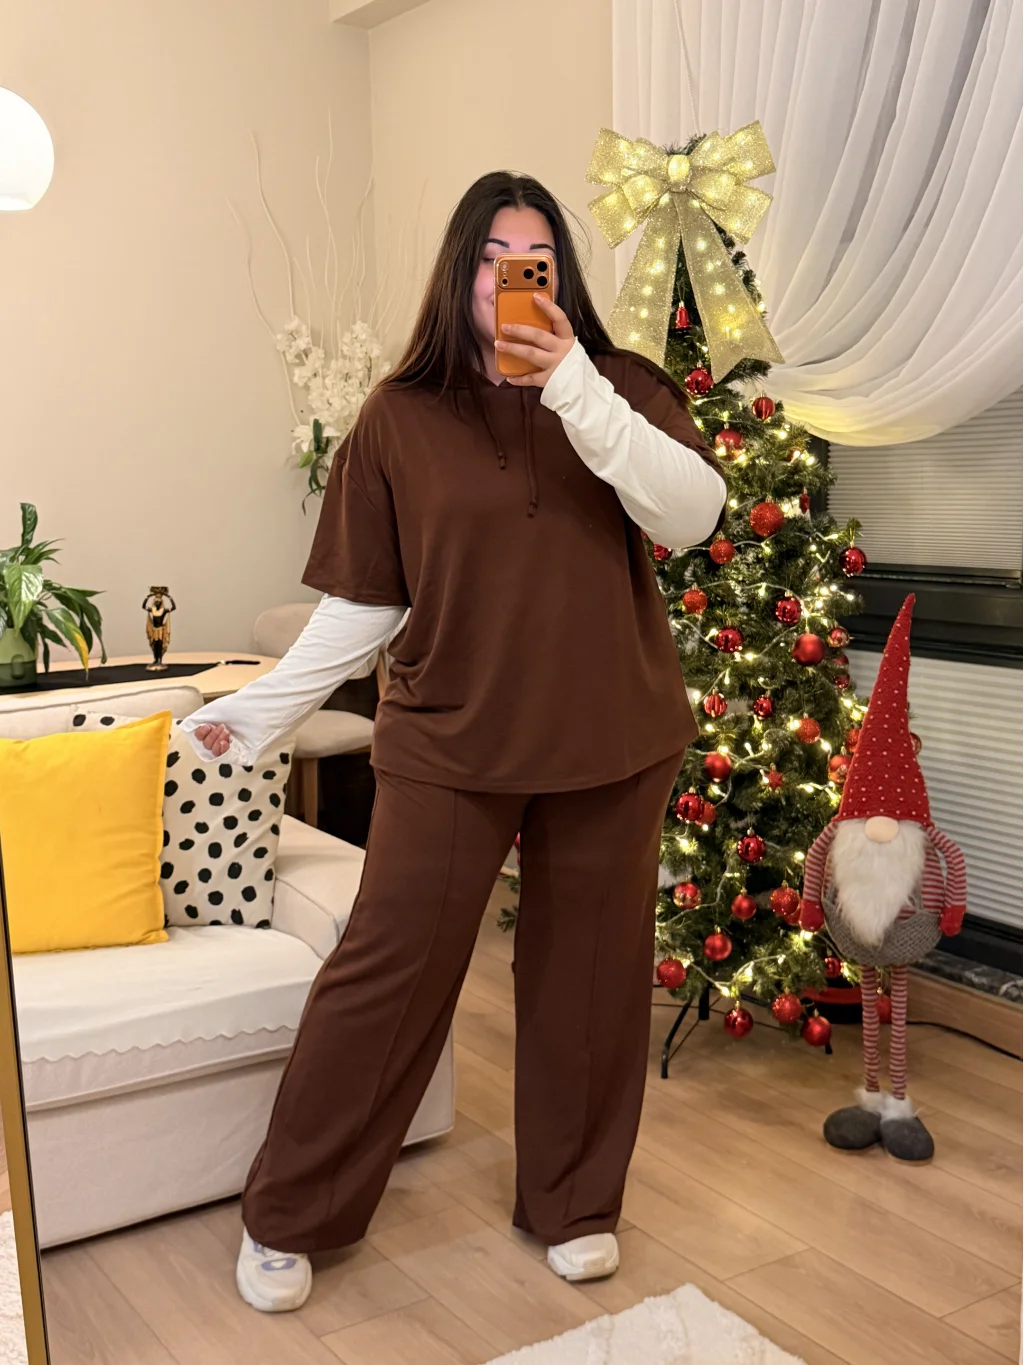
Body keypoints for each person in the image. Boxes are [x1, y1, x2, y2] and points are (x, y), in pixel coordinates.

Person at [178, 170, 727, 1312]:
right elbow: (367, 603)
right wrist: (268, 710)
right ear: (460, 271)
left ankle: (575, 1204)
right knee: (387, 972)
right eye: (491, 257)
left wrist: (572, 384)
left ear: (559, 274)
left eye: (535, 257)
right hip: (447, 739)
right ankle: (292, 1211)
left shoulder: (621, 385)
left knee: (589, 982)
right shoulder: (400, 417)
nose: (511, 277)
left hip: (611, 734)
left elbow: (690, 514)